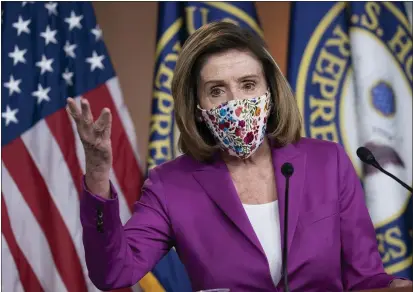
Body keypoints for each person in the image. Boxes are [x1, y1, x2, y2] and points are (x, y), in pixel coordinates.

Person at [67, 22, 412, 291]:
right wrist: (98, 173)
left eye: (248, 85)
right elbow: (114, 272)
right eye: (217, 90)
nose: (236, 102)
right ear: (199, 109)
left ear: (270, 93)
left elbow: (365, 278)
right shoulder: (170, 186)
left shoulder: (327, 163)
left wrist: (392, 287)